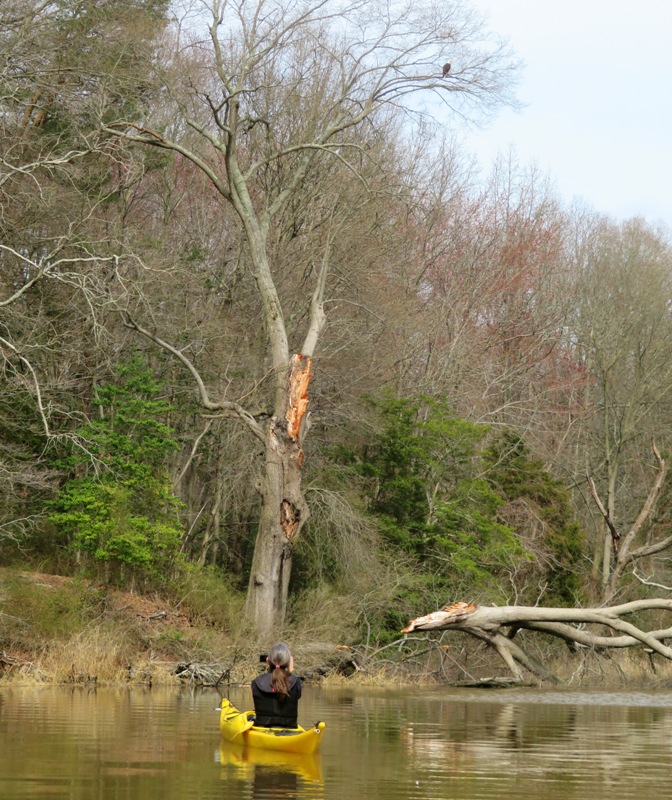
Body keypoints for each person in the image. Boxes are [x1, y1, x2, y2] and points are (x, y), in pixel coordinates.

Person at [251, 642, 302, 728]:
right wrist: (291, 672)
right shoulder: (296, 682)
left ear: (267, 661)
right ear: (289, 662)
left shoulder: (256, 682)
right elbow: (296, 695)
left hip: (262, 727)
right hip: (289, 727)